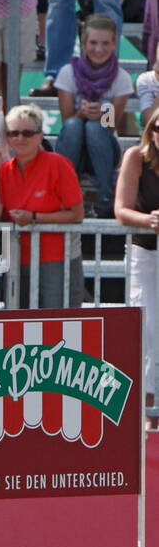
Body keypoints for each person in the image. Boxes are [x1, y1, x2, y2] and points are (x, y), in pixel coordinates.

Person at [0, 103, 83, 310]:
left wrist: (35, 218)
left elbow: (77, 214)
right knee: (21, 327)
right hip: (17, 260)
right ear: (6, 137)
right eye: (14, 133)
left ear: (40, 136)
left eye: (27, 133)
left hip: (56, 258)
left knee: (58, 324)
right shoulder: (2, 170)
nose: (20, 138)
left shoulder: (58, 164)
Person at [53, 14, 131, 218]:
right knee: (75, 127)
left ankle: (106, 198)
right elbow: (66, 121)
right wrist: (81, 113)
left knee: (94, 128)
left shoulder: (121, 78)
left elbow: (112, 126)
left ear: (114, 43)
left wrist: (101, 114)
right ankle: (64, 194)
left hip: (103, 146)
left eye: (105, 43)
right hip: (73, 144)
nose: (99, 49)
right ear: (83, 43)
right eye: (93, 42)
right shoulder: (67, 73)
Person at [115, 104, 159, 427]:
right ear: (150, 131)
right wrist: (149, 220)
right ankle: (148, 417)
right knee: (148, 332)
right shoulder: (136, 158)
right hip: (146, 254)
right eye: (158, 129)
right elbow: (120, 210)